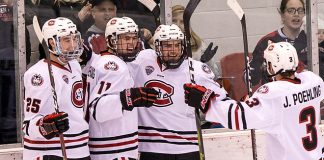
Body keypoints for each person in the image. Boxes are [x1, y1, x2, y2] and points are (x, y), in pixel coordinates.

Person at [184, 42, 324, 160]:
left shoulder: (273, 94)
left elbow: (237, 116)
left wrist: (207, 102)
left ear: (272, 66)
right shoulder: (313, 81)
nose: (265, 67)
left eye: (267, 63)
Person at [127, 24, 226, 160]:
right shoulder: (142, 61)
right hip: (151, 147)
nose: (173, 50)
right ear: (157, 47)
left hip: (187, 147)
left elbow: (221, 99)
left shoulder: (195, 69)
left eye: (177, 45)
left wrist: (205, 99)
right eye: (167, 46)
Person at [85, 17, 158, 160]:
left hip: (112, 146)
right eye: (126, 38)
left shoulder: (105, 60)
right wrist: (127, 98)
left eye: (134, 38)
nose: (131, 43)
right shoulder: (113, 66)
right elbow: (97, 109)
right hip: (113, 149)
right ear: (111, 40)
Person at [23, 17, 90, 159]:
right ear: (52, 43)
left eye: (74, 39)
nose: (73, 45)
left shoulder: (75, 66)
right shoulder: (38, 75)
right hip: (50, 152)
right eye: (67, 40)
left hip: (80, 148)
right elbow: (28, 125)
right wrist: (46, 125)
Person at [249, 0, 307, 86]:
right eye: (291, 10)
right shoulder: (268, 41)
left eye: (300, 10)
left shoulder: (311, 39)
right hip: (278, 95)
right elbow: (250, 79)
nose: (296, 14)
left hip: (306, 94)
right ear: (282, 15)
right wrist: (261, 68)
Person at [172, 5, 220, 78]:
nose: (177, 25)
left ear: (187, 25)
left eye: (182, 22)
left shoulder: (199, 45)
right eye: (174, 20)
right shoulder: (159, 44)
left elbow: (215, 76)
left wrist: (206, 63)